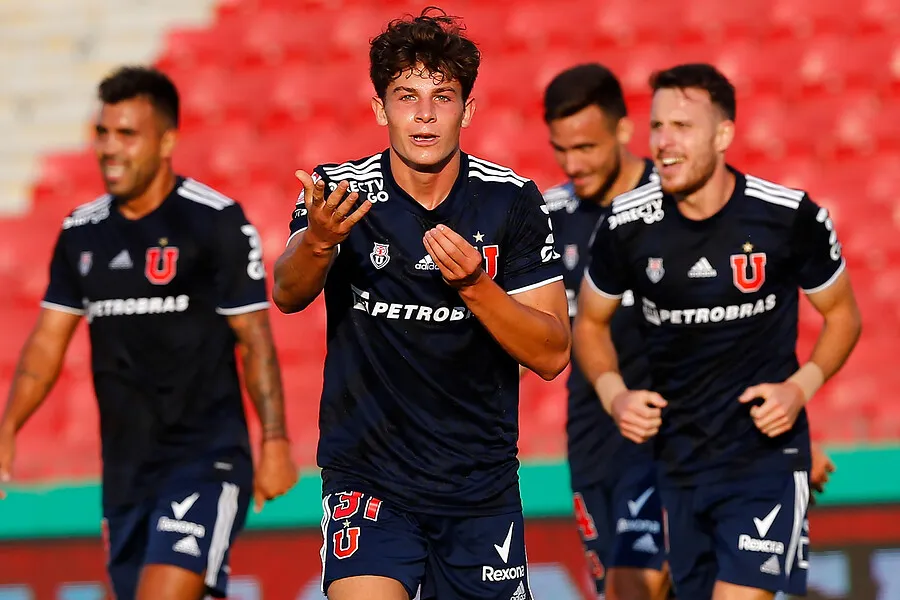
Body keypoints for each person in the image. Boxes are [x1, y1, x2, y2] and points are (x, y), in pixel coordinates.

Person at [272, 8, 570, 600]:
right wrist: (321, 241)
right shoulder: (342, 193)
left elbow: (553, 351)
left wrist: (477, 287)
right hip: (369, 478)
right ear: (381, 108)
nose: (425, 113)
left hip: (478, 488)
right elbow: (286, 292)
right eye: (407, 96)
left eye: (443, 96)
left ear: (469, 108)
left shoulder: (509, 201)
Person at [0, 66, 298, 600]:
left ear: (166, 141)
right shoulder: (80, 233)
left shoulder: (215, 222)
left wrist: (274, 440)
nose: (110, 149)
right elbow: (47, 344)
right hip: (124, 472)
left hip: (205, 459)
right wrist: (8, 427)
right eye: (102, 133)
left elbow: (254, 340)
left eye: (127, 134)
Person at [573, 63, 862, 600]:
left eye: (682, 126)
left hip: (763, 462)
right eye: (657, 126)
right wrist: (615, 397)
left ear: (724, 134)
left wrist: (800, 388)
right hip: (671, 461)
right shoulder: (624, 225)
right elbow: (589, 322)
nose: (663, 142)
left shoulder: (787, 217)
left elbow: (844, 315)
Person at [535, 64, 670, 600]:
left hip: (672, 425)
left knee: (634, 584)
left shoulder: (677, 202)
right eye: (561, 150)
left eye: (586, 147)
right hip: (592, 430)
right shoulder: (548, 215)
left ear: (622, 130)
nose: (573, 164)